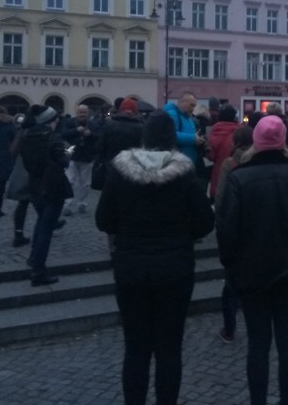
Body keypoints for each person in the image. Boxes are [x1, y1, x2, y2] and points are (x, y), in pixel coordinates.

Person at [96, 110, 214, 405]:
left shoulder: (119, 173)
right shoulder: (184, 175)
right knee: (169, 348)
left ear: (143, 138)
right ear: (173, 140)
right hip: (174, 268)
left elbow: (103, 220)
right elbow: (204, 222)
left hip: (131, 266)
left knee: (135, 348)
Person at [217, 115, 288, 405]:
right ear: (282, 142)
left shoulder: (240, 177)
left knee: (258, 344)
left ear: (256, 142)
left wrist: (233, 263)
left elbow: (226, 229)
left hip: (252, 274)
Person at [22, 105, 72, 286]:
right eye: (55, 118)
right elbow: (63, 161)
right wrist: (67, 154)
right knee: (46, 229)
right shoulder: (52, 138)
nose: (58, 120)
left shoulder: (27, 136)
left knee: (41, 222)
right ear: (49, 120)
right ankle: (38, 270)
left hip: (35, 186)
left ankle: (33, 258)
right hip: (52, 187)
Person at [215, 124, 254, 344]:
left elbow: (221, 200)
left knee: (230, 286)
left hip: (235, 231)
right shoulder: (259, 162)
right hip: (255, 232)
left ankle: (229, 329)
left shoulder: (230, 164)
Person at [61, 104, 99, 216]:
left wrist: (90, 134)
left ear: (88, 113)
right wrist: (76, 130)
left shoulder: (93, 124)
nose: (82, 114)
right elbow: (63, 134)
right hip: (71, 156)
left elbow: (100, 136)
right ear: (76, 113)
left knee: (86, 184)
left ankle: (82, 204)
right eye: (80, 112)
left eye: (84, 112)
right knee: (69, 181)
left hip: (87, 156)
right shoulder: (69, 122)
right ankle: (66, 205)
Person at [164, 92, 206, 170]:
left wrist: (199, 139)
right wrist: (193, 139)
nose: (193, 108)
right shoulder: (172, 114)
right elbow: (171, 134)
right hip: (177, 164)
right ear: (182, 102)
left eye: (194, 106)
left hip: (187, 163)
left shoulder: (189, 118)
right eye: (191, 105)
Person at [207, 105, 240, 202]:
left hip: (219, 173)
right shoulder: (240, 131)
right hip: (238, 172)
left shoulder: (214, 131)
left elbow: (211, 156)